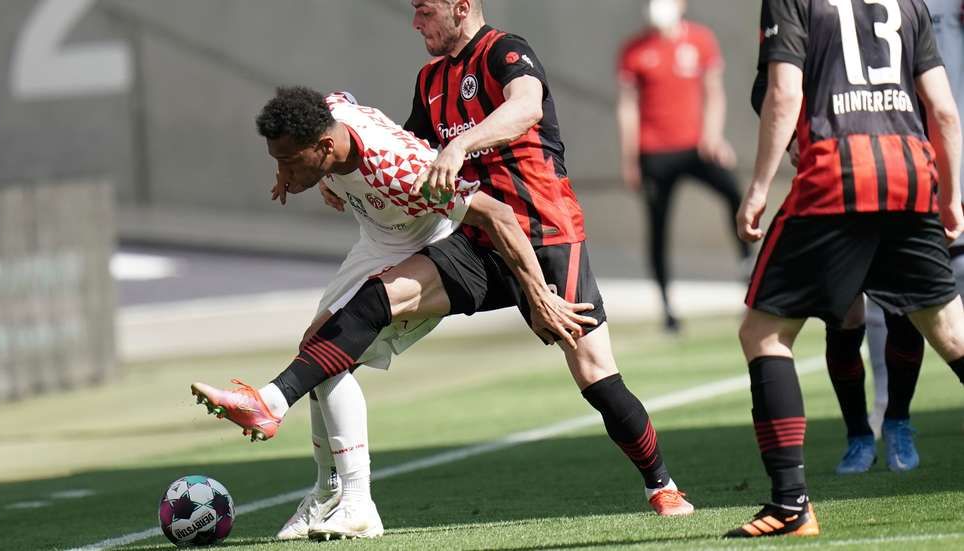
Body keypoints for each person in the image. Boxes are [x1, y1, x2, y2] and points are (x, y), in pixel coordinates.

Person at [195, 0, 696, 523]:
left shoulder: (505, 51)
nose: (416, 23)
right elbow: (406, 148)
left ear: (461, 7)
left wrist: (460, 149)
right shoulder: (431, 79)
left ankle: (661, 484)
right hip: (475, 238)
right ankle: (281, 415)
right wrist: (337, 177)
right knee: (374, 301)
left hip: (545, 233)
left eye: (425, 11)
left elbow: (526, 108)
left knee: (594, 374)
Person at [193, 86, 595, 540]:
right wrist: (315, 174)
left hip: (426, 247)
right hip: (378, 240)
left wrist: (539, 296)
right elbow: (337, 99)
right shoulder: (327, 120)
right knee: (317, 351)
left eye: (288, 161)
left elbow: (498, 216)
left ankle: (352, 496)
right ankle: (327, 492)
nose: (282, 172)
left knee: (334, 346)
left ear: (324, 147)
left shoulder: (401, 171)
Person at [729, 0, 964, 538]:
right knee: (952, 332)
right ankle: (861, 434)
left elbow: (782, 93)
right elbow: (944, 111)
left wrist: (759, 188)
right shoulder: (909, 3)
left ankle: (790, 504)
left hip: (836, 177)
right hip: (911, 176)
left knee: (763, 334)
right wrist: (951, 196)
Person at [617, 0, 750, 332]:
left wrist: (713, 136)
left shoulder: (701, 40)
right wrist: (630, 158)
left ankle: (749, 273)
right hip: (654, 153)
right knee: (658, 227)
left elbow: (714, 92)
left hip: (697, 147)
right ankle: (667, 308)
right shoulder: (634, 50)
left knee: (736, 194)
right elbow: (628, 107)